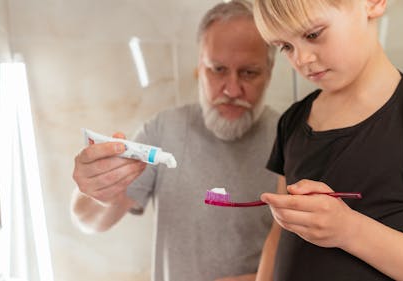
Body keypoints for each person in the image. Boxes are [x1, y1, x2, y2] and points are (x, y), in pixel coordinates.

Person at [252, 0, 403, 280]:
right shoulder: (293, 120)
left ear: (373, 3)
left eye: (313, 34)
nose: (301, 58)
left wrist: (349, 230)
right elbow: (279, 235)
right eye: (285, 46)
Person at [71, 1, 279, 281]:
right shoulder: (163, 131)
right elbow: (88, 221)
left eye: (248, 73)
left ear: (269, 73)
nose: (231, 89)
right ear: (199, 68)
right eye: (217, 69)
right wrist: (99, 190)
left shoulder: (290, 141)